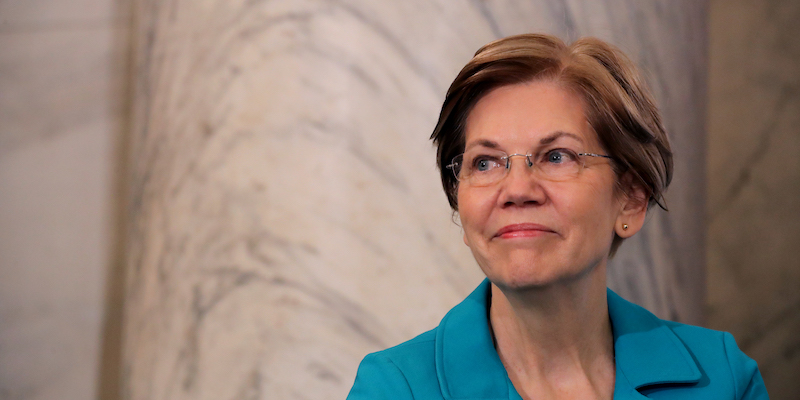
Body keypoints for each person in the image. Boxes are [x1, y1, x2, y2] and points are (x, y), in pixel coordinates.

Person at [346, 33, 768, 400]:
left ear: (631, 201)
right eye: (486, 163)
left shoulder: (724, 379)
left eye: (556, 156)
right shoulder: (394, 388)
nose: (516, 190)